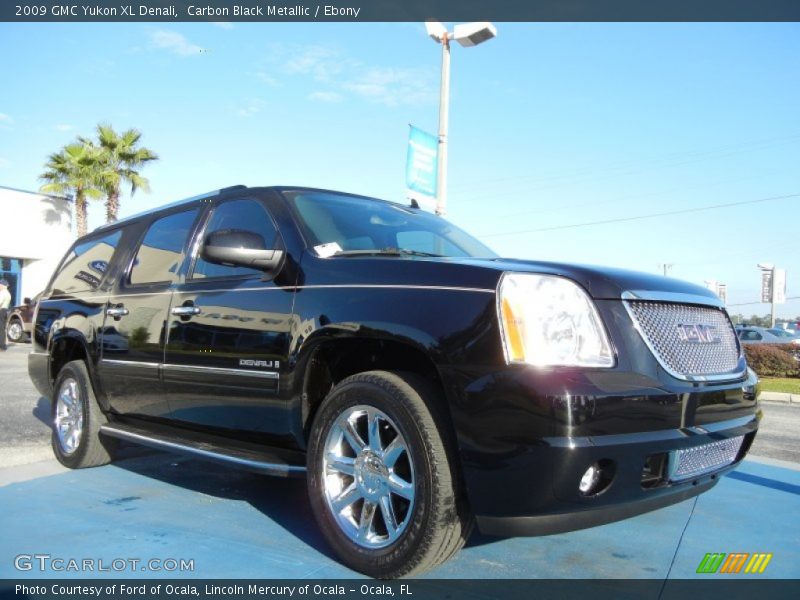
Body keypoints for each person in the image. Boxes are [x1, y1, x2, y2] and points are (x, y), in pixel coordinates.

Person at [0, 279, 11, 351]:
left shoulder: (2, 293)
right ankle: (2, 345)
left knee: (1, 329)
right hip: (5, 311)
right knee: (2, 329)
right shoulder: (8, 293)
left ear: (3, 285)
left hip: (1, 311)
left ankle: (2, 345)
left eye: (0, 285)